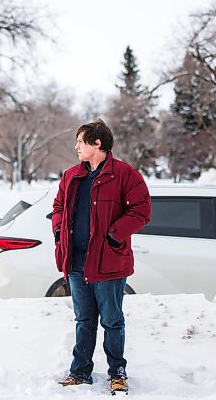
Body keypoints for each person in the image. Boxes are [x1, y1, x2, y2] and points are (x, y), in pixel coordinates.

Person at [52, 119, 151, 395]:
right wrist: (59, 229)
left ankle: (117, 372)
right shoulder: (72, 175)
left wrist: (115, 234)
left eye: (81, 142)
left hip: (109, 262)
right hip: (76, 261)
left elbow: (142, 210)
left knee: (112, 320)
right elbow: (58, 205)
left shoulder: (125, 174)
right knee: (84, 320)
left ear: (97, 144)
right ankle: (80, 371)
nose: (76, 147)